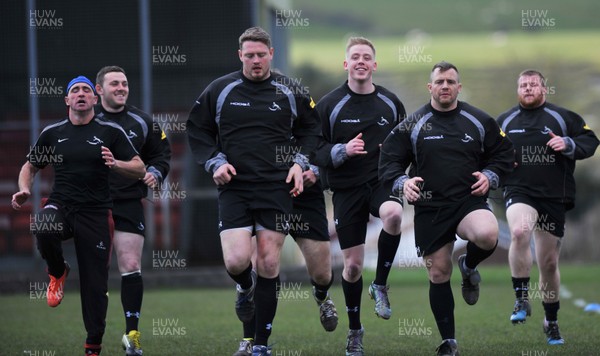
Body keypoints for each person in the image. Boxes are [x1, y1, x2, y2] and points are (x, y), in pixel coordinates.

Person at [186, 27, 321, 356]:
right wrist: (215, 163)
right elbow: (198, 130)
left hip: (277, 188)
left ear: (271, 54)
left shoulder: (291, 90)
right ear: (240, 56)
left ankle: (260, 344)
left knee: (269, 263)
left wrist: (299, 163)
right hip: (235, 187)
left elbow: (313, 129)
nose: (256, 61)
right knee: (236, 261)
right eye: (250, 56)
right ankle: (244, 287)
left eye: (261, 55)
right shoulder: (221, 89)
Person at [379, 61, 514, 355]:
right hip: (430, 207)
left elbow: (504, 154)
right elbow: (388, 161)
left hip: (468, 201)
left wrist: (490, 176)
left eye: (450, 82)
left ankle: (468, 264)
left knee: (488, 234)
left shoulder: (478, 120)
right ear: (430, 87)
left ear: (459, 87)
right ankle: (449, 341)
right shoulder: (412, 124)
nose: (445, 86)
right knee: (439, 273)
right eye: (439, 81)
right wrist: (402, 183)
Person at [11, 76, 146, 356]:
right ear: (67, 100)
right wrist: (24, 189)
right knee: (44, 224)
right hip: (62, 204)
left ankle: (92, 346)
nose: (81, 94)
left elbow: (139, 168)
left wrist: (116, 163)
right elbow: (30, 166)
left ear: (95, 99)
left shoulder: (110, 132)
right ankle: (57, 271)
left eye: (86, 90)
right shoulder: (53, 132)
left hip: (96, 213)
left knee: (95, 287)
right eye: (75, 90)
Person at [312, 36, 405, 356]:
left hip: (381, 182)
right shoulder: (329, 105)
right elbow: (314, 148)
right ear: (346, 64)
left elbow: (405, 143)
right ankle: (355, 331)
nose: (361, 61)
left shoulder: (391, 103)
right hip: (346, 188)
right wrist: (343, 150)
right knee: (351, 268)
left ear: (374, 65)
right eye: (355, 57)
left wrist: (403, 174)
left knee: (393, 215)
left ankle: (380, 284)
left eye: (367, 56)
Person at [497, 70, 598, 345]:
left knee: (549, 263)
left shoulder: (563, 118)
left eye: (533, 84)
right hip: (519, 191)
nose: (527, 88)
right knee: (519, 231)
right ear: (518, 89)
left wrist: (568, 143)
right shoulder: (504, 120)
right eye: (523, 85)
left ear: (544, 88)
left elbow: (591, 142)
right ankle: (521, 299)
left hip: (554, 196)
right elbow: (488, 152)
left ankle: (551, 321)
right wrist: (500, 165)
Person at [94, 65, 171, 356]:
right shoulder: (88, 120)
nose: (121, 88)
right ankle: (94, 333)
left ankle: (132, 335)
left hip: (127, 201)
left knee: (130, 264)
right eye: (114, 84)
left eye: (124, 83)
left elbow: (162, 153)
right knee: (96, 270)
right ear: (99, 89)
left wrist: (155, 172)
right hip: (93, 204)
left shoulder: (142, 120)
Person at [233, 163, 338, 356]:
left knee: (322, 274)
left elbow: (325, 144)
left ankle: (321, 295)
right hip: (268, 192)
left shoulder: (310, 131)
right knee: (262, 263)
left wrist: (315, 170)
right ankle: (251, 341)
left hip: (305, 197)